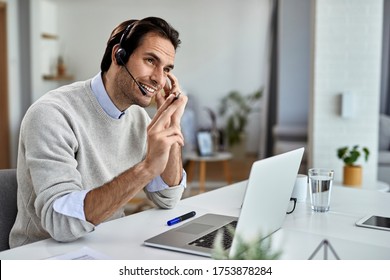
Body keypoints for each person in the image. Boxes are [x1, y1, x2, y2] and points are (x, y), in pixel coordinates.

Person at [10, 17, 188, 248]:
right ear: (118, 55)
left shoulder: (137, 119)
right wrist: (146, 168)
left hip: (106, 244)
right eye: (150, 60)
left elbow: (168, 198)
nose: (159, 78)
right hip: (44, 254)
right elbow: (61, 224)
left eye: (166, 69)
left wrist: (170, 121)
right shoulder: (52, 114)